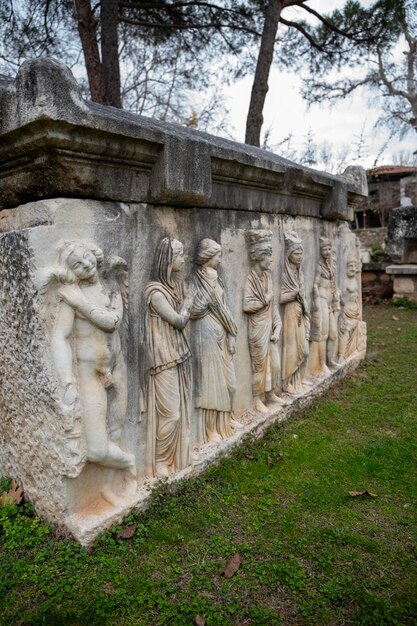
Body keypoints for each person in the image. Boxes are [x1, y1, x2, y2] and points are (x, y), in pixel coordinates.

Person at [48, 240, 135, 479]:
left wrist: (81, 304)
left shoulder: (109, 288)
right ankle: (130, 463)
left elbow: (112, 322)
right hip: (88, 375)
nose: (86, 265)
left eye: (86, 257)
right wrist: (67, 380)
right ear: (71, 271)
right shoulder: (70, 296)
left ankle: (111, 485)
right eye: (77, 264)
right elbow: (59, 337)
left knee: (116, 433)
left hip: (116, 369)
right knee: (97, 449)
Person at [144, 237, 194, 477]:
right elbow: (178, 320)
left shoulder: (174, 286)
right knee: (171, 413)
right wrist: (188, 304)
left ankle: (176, 455)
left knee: (179, 410)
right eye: (179, 255)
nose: (183, 260)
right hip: (163, 358)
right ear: (168, 260)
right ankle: (160, 459)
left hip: (177, 353)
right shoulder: (155, 292)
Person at [191, 238, 237, 445]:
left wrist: (231, 334)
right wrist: (207, 300)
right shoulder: (195, 279)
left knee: (230, 384)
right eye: (218, 255)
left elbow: (224, 306)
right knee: (211, 385)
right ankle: (211, 431)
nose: (220, 259)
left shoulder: (217, 278)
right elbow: (192, 310)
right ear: (208, 257)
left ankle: (226, 422)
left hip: (221, 332)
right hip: (205, 333)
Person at [243, 230, 282, 414]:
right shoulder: (251, 279)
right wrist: (264, 301)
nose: (271, 260)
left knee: (275, 364)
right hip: (257, 327)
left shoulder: (267, 277)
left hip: (269, 324)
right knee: (259, 367)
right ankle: (257, 399)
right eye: (268, 256)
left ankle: (271, 393)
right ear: (259, 257)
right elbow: (247, 305)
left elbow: (273, 303)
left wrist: (278, 323)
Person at [279, 231, 310, 394]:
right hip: (290, 313)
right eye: (296, 253)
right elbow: (281, 297)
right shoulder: (285, 274)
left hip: (300, 311)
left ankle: (297, 380)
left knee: (304, 350)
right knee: (292, 348)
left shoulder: (300, 273)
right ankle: (287, 382)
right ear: (289, 255)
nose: (299, 256)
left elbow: (303, 294)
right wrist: (294, 294)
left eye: (301, 253)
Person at [310, 236, 340, 377]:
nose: (327, 251)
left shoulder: (331, 264)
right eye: (324, 249)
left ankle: (330, 360)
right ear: (321, 251)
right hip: (321, 299)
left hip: (330, 302)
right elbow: (315, 284)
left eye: (329, 248)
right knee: (324, 334)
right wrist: (316, 299)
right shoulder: (319, 266)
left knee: (333, 334)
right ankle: (322, 364)